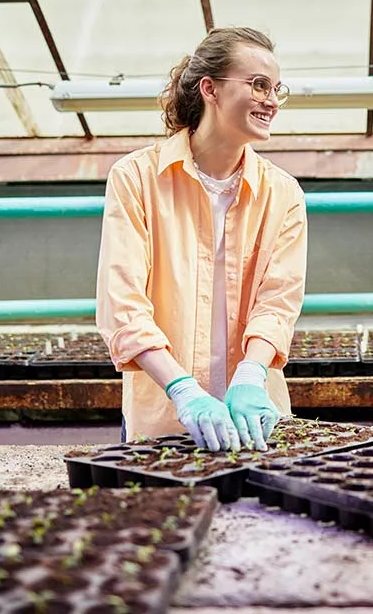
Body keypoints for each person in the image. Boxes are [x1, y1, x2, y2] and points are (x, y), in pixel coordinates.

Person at [96, 27, 307, 451]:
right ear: (210, 88)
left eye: (276, 89)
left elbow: (277, 301)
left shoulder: (283, 193)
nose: (271, 100)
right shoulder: (137, 178)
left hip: (256, 420)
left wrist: (250, 375)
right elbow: (123, 303)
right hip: (165, 420)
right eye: (258, 85)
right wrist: (182, 389)